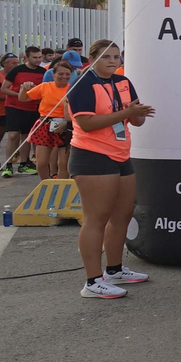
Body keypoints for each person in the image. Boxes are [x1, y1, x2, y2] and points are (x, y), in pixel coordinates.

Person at [67, 41, 153, 298]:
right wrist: (126, 112)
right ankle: (92, 281)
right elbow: (86, 124)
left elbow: (134, 119)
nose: (113, 61)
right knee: (96, 218)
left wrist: (138, 114)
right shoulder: (82, 83)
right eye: (106, 57)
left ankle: (114, 269)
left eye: (117, 56)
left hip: (120, 154)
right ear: (92, 58)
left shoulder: (123, 81)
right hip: (91, 155)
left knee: (123, 214)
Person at [21, 58, 76, 180]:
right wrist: (24, 88)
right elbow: (23, 98)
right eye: (60, 74)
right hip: (45, 124)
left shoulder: (73, 89)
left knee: (63, 164)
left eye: (67, 74)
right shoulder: (45, 86)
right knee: (41, 163)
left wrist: (67, 123)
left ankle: (62, 189)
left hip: (65, 125)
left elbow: (77, 111)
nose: (64, 77)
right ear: (53, 74)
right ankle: (45, 185)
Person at [1, 46, 47, 176]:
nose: (38, 60)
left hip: (32, 108)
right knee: (12, 135)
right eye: (35, 57)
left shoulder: (43, 72)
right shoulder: (16, 70)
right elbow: (4, 89)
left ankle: (23, 164)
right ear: (27, 58)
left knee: (27, 137)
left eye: (39, 57)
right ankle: (8, 166)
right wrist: (22, 94)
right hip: (14, 107)